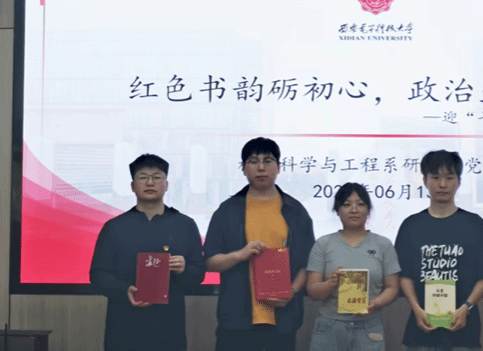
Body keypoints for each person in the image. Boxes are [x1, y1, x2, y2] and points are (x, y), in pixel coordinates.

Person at [203, 137, 315, 351]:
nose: (261, 167)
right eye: (253, 161)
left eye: (268, 161)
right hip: (236, 319)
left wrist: (292, 291)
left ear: (279, 167)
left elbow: (308, 263)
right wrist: (239, 255)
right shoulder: (227, 211)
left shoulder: (295, 211)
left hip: (282, 319)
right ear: (244, 168)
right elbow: (209, 261)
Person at [90, 153, 205, 351]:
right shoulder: (115, 227)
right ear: (133, 186)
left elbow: (198, 274)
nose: (150, 183)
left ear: (166, 185)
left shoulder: (185, 225)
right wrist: (124, 290)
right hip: (123, 327)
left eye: (157, 177)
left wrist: (184, 269)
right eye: (143, 177)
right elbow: (98, 274)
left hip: (169, 328)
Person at [395, 150, 483, 351]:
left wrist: (466, 307)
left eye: (449, 178)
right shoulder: (411, 225)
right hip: (421, 331)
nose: (442, 184)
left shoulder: (475, 224)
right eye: (435, 178)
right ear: (425, 181)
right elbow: (404, 275)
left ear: (458, 182)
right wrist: (416, 309)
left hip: (463, 333)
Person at [306, 183, 400, 351]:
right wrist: (329, 284)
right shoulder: (323, 244)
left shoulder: (383, 244)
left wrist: (376, 303)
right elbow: (312, 291)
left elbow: (393, 287)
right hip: (329, 327)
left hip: (369, 326)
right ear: (337, 210)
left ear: (369, 210)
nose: (354, 210)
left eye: (360, 204)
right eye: (347, 204)